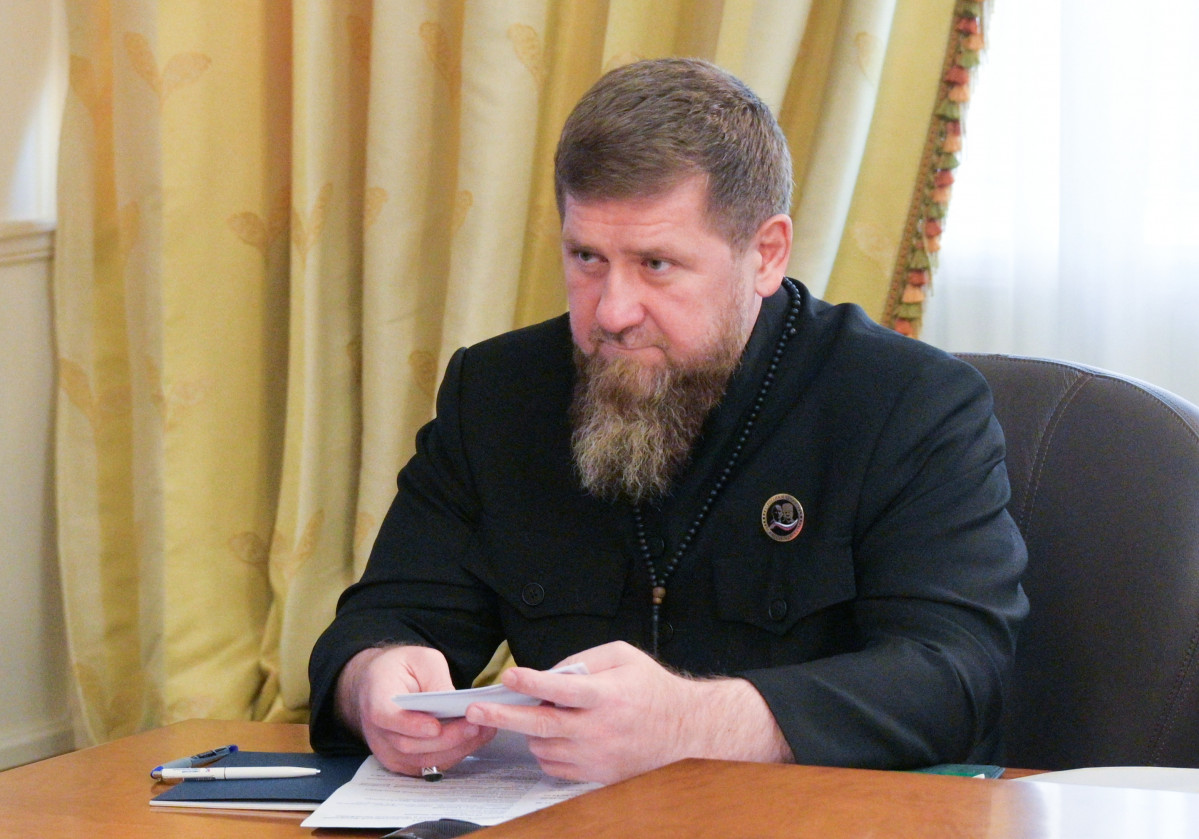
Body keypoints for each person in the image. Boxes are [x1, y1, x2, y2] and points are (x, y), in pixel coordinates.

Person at [308, 58, 1028, 785]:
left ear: (765, 253)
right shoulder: (496, 393)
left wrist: (692, 724)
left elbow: (955, 675)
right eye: (586, 256)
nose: (611, 312)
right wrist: (374, 684)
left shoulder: (909, 404)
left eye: (655, 263)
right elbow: (383, 623)